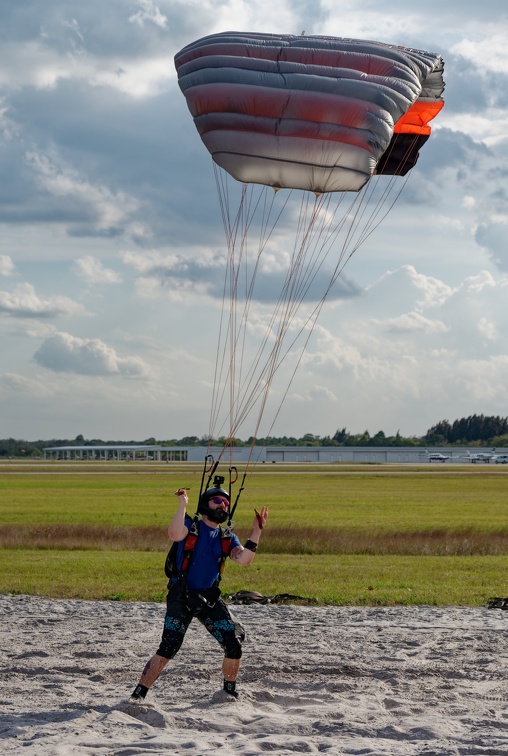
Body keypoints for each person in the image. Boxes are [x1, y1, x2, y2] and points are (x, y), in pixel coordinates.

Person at [130, 481, 268, 703]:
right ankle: (139, 694)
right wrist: (182, 504)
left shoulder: (227, 537)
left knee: (233, 643)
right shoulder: (190, 525)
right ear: (206, 504)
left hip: (209, 599)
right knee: (168, 648)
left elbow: (244, 559)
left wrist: (256, 531)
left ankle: (229, 691)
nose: (223, 505)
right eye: (218, 501)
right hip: (181, 596)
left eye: (226, 502)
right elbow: (174, 534)